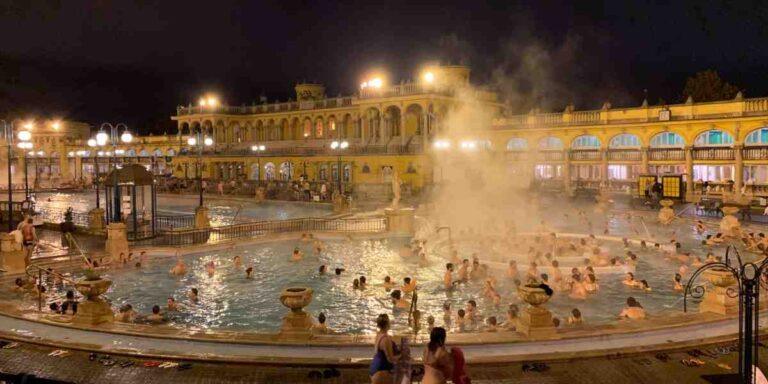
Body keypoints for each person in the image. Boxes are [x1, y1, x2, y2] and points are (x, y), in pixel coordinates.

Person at [369, 314, 402, 384]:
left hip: (374, 368)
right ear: (387, 324)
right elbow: (390, 359)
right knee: (402, 379)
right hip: (381, 371)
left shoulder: (378, 335)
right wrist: (401, 356)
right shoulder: (386, 339)